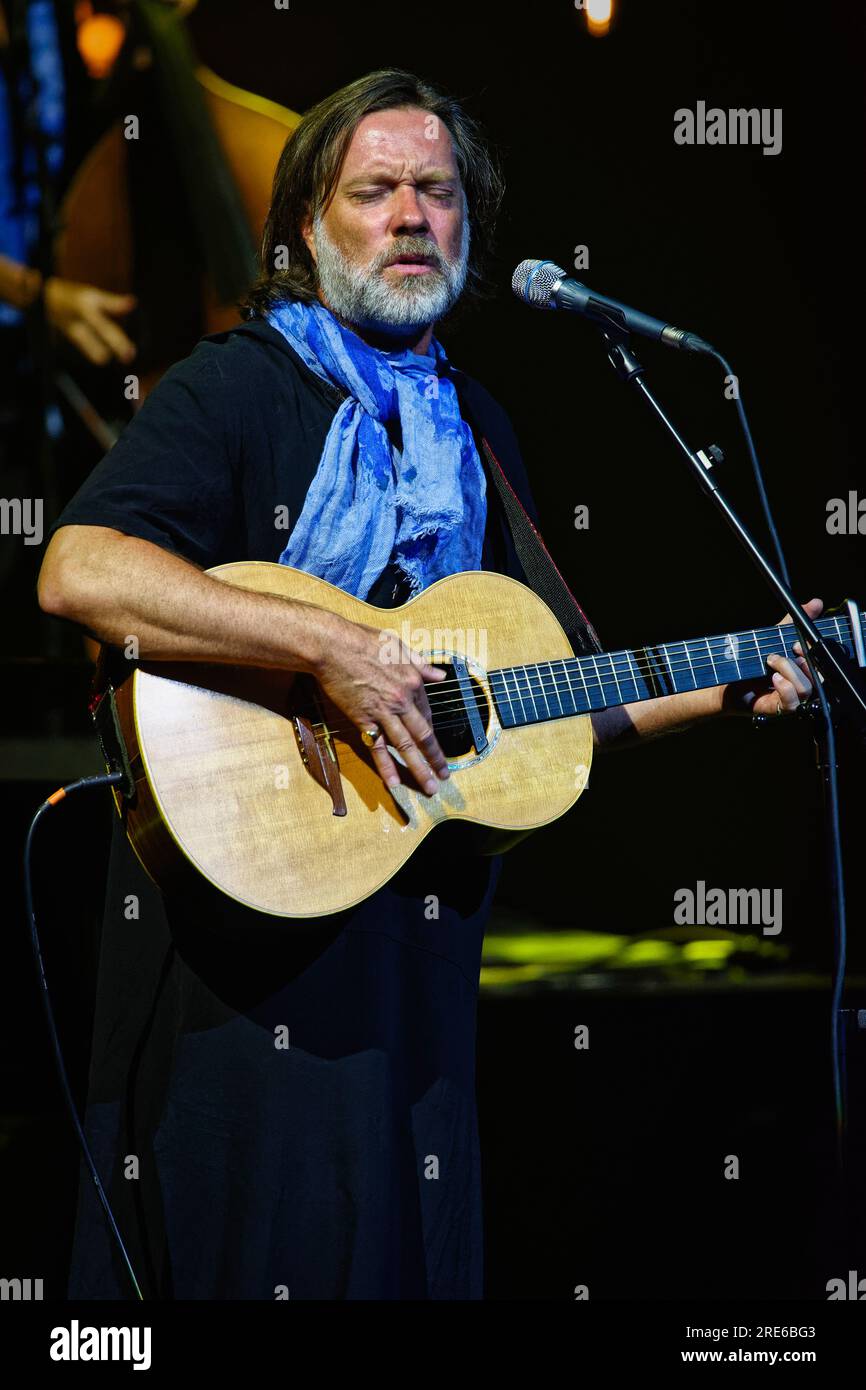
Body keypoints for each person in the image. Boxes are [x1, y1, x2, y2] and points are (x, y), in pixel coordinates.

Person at [36, 68, 820, 1301]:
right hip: (244, 963)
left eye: (438, 191)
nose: (411, 215)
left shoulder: (476, 428)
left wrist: (728, 683)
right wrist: (329, 647)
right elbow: (78, 568)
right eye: (375, 189)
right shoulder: (236, 385)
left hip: (416, 964)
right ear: (307, 225)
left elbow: (544, 706)